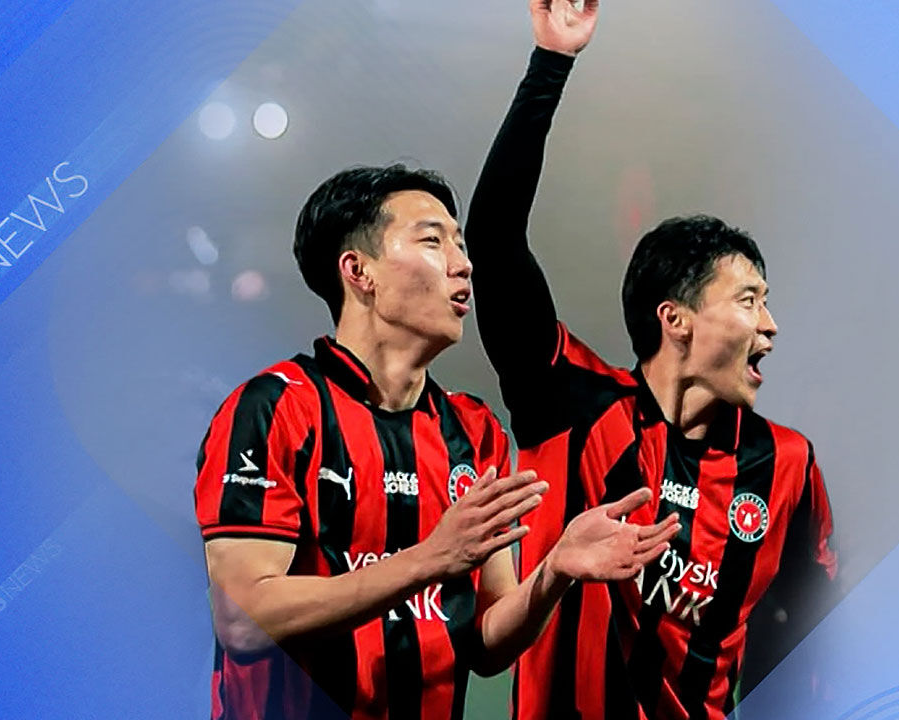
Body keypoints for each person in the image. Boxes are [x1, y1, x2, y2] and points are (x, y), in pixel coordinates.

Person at [194, 164, 681, 720]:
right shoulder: (276, 408)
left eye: (461, 244)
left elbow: (485, 644)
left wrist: (554, 572)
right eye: (433, 241)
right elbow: (243, 619)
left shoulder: (474, 432)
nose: (463, 264)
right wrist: (430, 559)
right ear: (358, 271)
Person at [464, 2, 839, 718]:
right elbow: (495, 239)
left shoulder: (788, 465)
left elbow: (808, 633)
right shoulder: (572, 402)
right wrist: (550, 63)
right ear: (676, 319)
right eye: (749, 300)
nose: (771, 325)